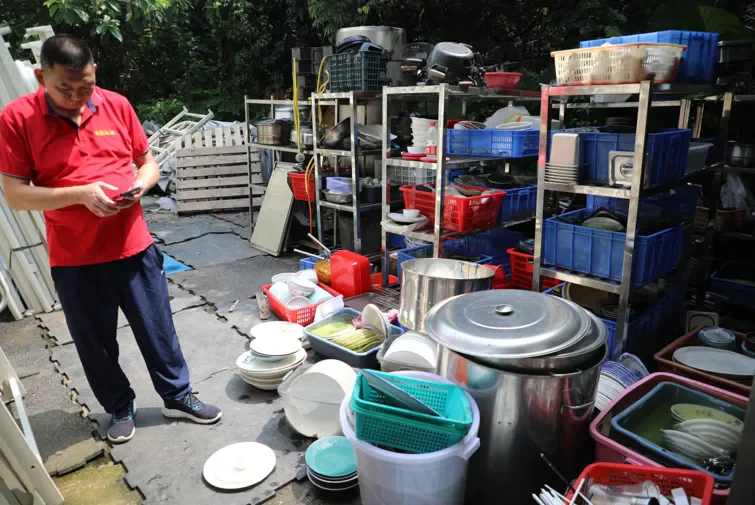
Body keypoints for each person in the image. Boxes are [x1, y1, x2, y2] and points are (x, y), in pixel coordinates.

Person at [0, 35, 222, 444]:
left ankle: (177, 395)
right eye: (64, 89)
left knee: (158, 329)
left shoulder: (116, 105)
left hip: (134, 245)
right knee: (95, 344)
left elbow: (147, 162)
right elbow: (14, 194)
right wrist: (80, 194)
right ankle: (120, 405)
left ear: (94, 73)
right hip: (75, 256)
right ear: (39, 77)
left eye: (84, 87)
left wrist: (141, 185)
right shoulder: (17, 118)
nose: (76, 97)